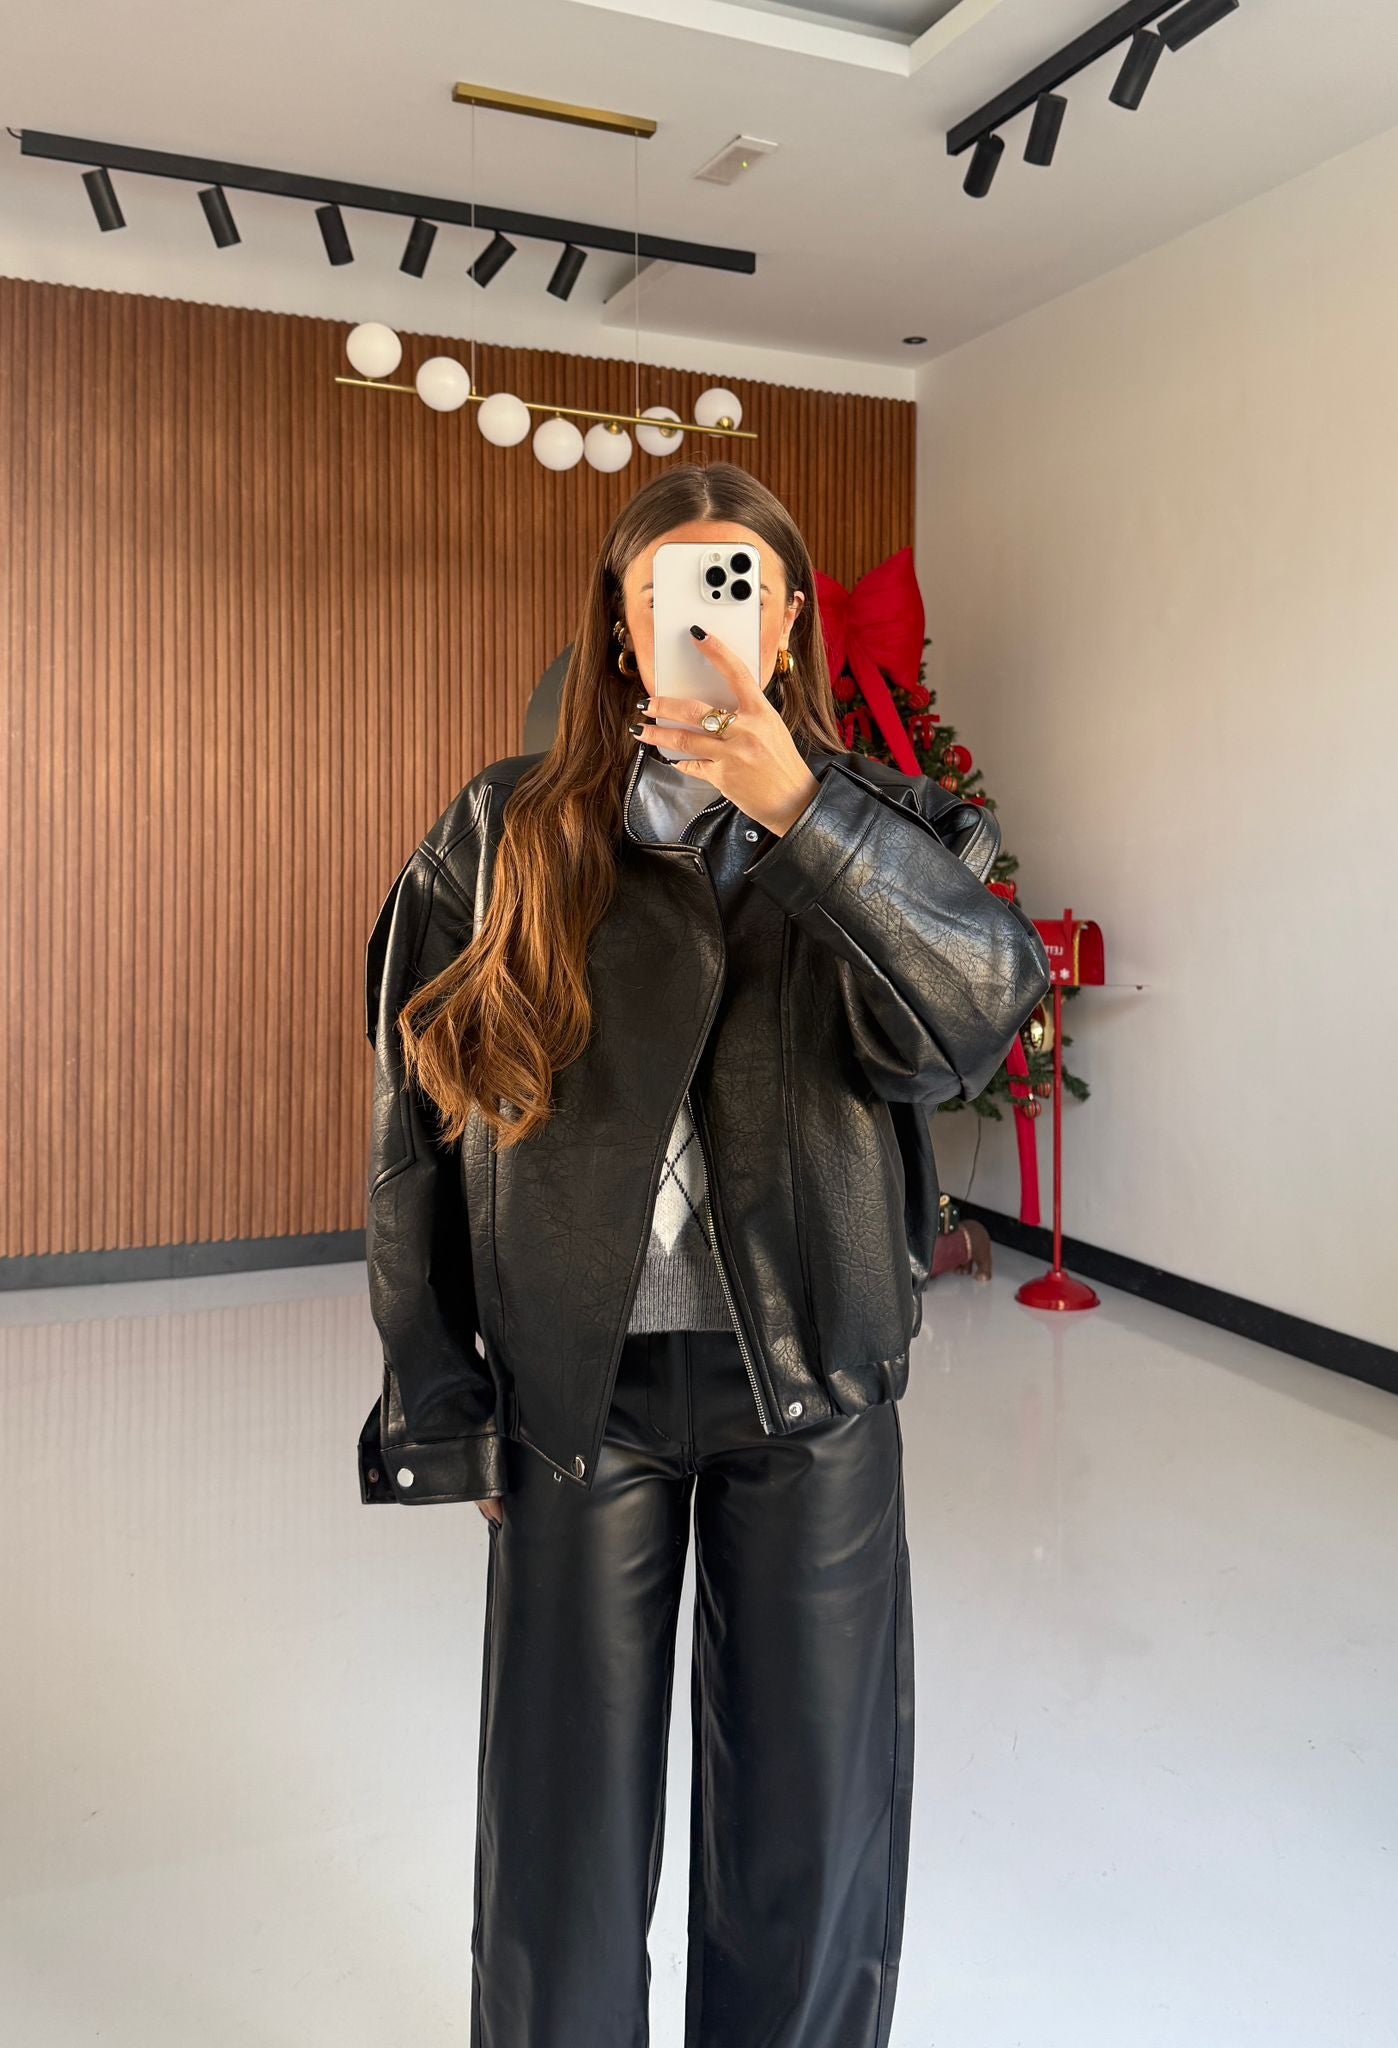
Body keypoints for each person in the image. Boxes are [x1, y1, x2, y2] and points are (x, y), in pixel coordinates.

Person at [357, 462, 1052, 2048]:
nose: (704, 619)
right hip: (572, 1396)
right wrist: (439, 1395)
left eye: (740, 586)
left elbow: (973, 1021)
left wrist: (806, 817)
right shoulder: (503, 830)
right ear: (619, 624)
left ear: (788, 622)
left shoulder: (892, 828)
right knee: (561, 1838)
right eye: (669, 589)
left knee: (812, 1826)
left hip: (810, 1387)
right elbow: (415, 1124)